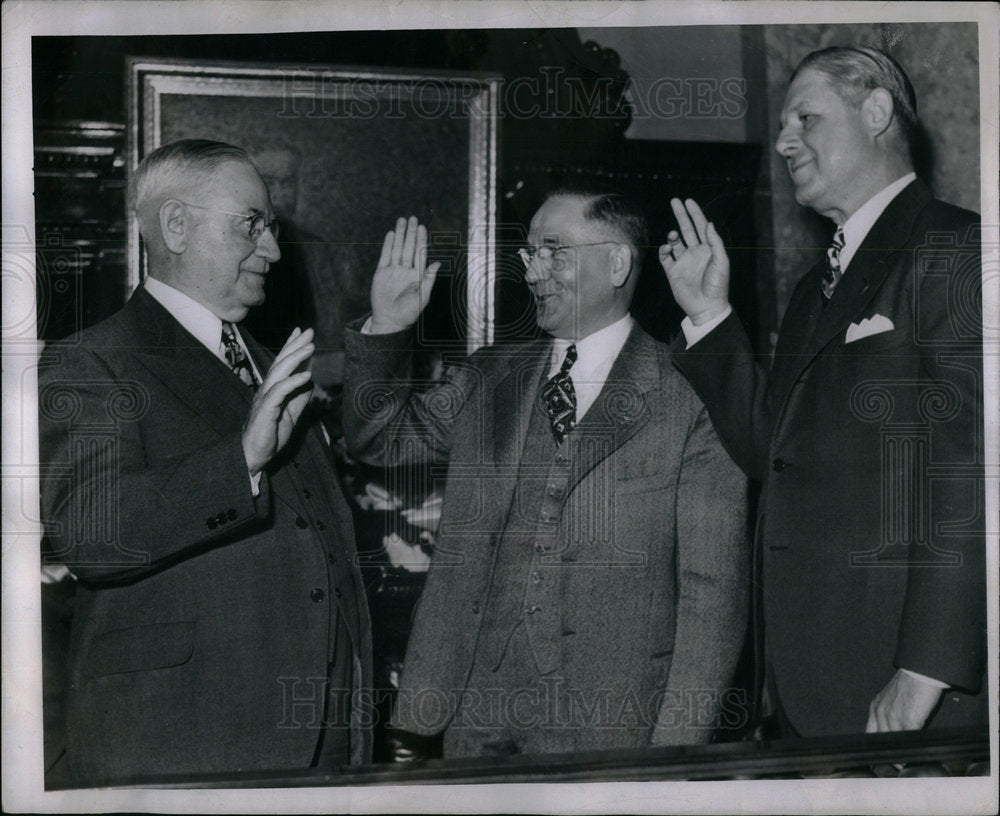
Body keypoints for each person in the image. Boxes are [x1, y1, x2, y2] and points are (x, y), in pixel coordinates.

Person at [343, 189, 749, 757]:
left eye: (553, 250)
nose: (533, 270)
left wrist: (676, 748)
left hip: (617, 725)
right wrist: (387, 327)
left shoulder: (691, 394)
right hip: (470, 715)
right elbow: (374, 437)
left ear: (616, 263)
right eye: (529, 253)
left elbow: (714, 595)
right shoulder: (488, 377)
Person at [659, 45, 985, 737]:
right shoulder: (818, 286)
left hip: (909, 690)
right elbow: (773, 451)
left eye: (804, 117)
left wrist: (926, 668)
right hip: (811, 686)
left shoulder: (958, 250)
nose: (782, 142)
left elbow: (976, 469)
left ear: (875, 112)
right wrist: (709, 317)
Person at [38, 139, 372, 786]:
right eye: (252, 224)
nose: (273, 250)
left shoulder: (272, 358)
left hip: (320, 742)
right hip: (184, 743)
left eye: (271, 227)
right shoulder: (94, 360)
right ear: (177, 225)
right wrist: (241, 458)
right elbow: (90, 535)